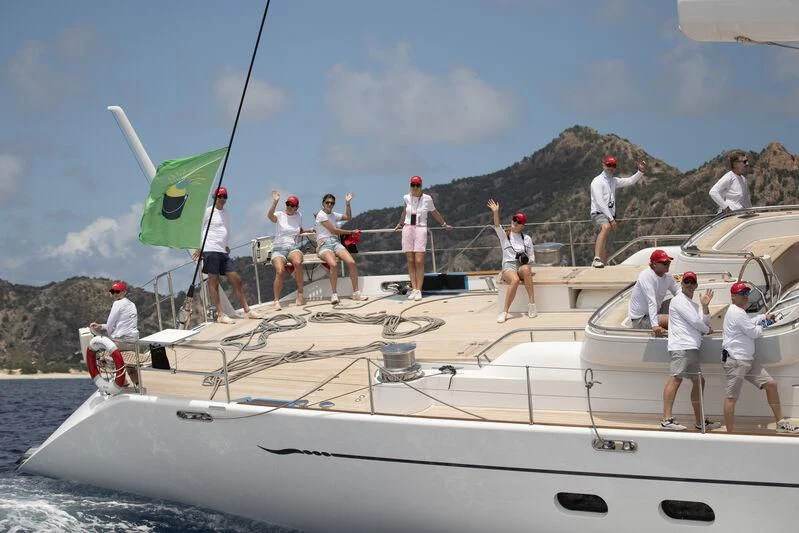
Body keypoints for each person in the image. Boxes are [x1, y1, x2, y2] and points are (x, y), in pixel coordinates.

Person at [721, 282, 798, 433]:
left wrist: (763, 316)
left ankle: (780, 423)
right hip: (736, 361)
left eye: (746, 294)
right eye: (742, 294)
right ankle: (730, 434)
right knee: (731, 397)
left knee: (771, 384)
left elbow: (749, 324)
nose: (745, 297)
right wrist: (767, 323)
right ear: (733, 296)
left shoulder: (739, 312)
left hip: (747, 360)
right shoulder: (736, 312)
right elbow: (754, 332)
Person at [660, 271, 721, 431]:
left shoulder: (694, 305)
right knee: (675, 379)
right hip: (681, 346)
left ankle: (700, 421)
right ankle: (666, 420)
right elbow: (696, 322)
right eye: (686, 281)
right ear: (682, 284)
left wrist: (705, 307)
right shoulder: (678, 300)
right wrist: (707, 330)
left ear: (696, 285)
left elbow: (704, 320)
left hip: (691, 347)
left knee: (699, 382)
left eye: (692, 282)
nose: (689, 284)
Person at [192, 186, 258, 324]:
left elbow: (226, 229)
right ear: (214, 197)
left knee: (236, 279)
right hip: (210, 249)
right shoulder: (208, 212)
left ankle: (247, 310)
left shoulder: (226, 213)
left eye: (224, 196)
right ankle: (220, 314)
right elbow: (198, 229)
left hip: (222, 250)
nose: (222, 199)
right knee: (214, 282)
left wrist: (227, 244)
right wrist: (199, 248)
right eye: (219, 196)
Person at [394, 175, 452, 301]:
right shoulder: (406, 197)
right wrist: (400, 223)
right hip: (408, 228)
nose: (415, 187)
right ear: (410, 185)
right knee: (410, 260)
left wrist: (444, 224)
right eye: (413, 185)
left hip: (420, 228)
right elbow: (404, 212)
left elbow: (434, 212)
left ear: (421, 186)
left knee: (419, 260)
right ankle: (414, 289)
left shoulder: (427, 199)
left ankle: (419, 289)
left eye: (417, 185)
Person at [590, 156, 647, 268]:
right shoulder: (597, 181)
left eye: (613, 165)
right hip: (599, 213)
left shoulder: (613, 181)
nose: (611, 167)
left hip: (610, 216)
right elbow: (600, 202)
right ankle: (596, 258)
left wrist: (640, 171)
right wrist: (611, 219)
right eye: (609, 165)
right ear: (603, 165)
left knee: (607, 250)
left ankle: (601, 268)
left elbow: (630, 181)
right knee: (605, 227)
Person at [487, 199, 537, 323]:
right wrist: (495, 212)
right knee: (514, 280)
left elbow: (532, 259)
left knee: (526, 269)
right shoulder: (505, 236)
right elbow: (497, 225)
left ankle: (532, 304)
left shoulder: (527, 239)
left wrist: (525, 260)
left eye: (519, 221)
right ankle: (505, 312)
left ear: (522, 225)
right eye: (514, 219)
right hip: (508, 265)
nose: (515, 222)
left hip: (521, 265)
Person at [315, 192, 368, 304]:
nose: (329, 204)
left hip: (335, 243)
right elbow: (333, 230)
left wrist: (347, 204)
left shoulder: (333, 215)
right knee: (333, 265)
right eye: (327, 202)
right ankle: (334, 294)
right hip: (324, 244)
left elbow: (348, 217)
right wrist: (351, 232)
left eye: (332, 203)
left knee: (351, 262)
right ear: (323, 203)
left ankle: (356, 293)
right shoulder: (321, 215)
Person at [89, 281, 141, 385]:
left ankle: (121, 383)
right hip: (133, 341)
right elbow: (123, 323)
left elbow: (110, 325)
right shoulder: (132, 304)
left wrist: (105, 332)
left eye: (117, 291)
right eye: (112, 291)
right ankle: (138, 384)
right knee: (130, 365)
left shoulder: (117, 303)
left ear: (124, 292)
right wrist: (101, 326)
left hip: (121, 341)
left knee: (103, 357)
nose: (115, 294)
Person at [267, 191, 306, 309]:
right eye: (288, 204)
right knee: (280, 271)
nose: (289, 207)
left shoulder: (299, 215)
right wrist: (275, 202)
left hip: (293, 247)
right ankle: (276, 300)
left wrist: (310, 231)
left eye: (292, 205)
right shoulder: (279, 215)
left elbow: (299, 230)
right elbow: (270, 216)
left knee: (298, 263)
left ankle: (300, 294)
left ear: (296, 207)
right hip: (279, 248)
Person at [628, 249, 679, 337]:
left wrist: (688, 289)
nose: (668, 265)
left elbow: (678, 292)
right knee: (674, 319)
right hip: (641, 320)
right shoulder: (646, 275)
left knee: (678, 301)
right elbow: (651, 301)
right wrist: (655, 326)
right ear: (654, 264)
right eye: (665, 263)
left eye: (669, 262)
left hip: (655, 312)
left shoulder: (668, 276)